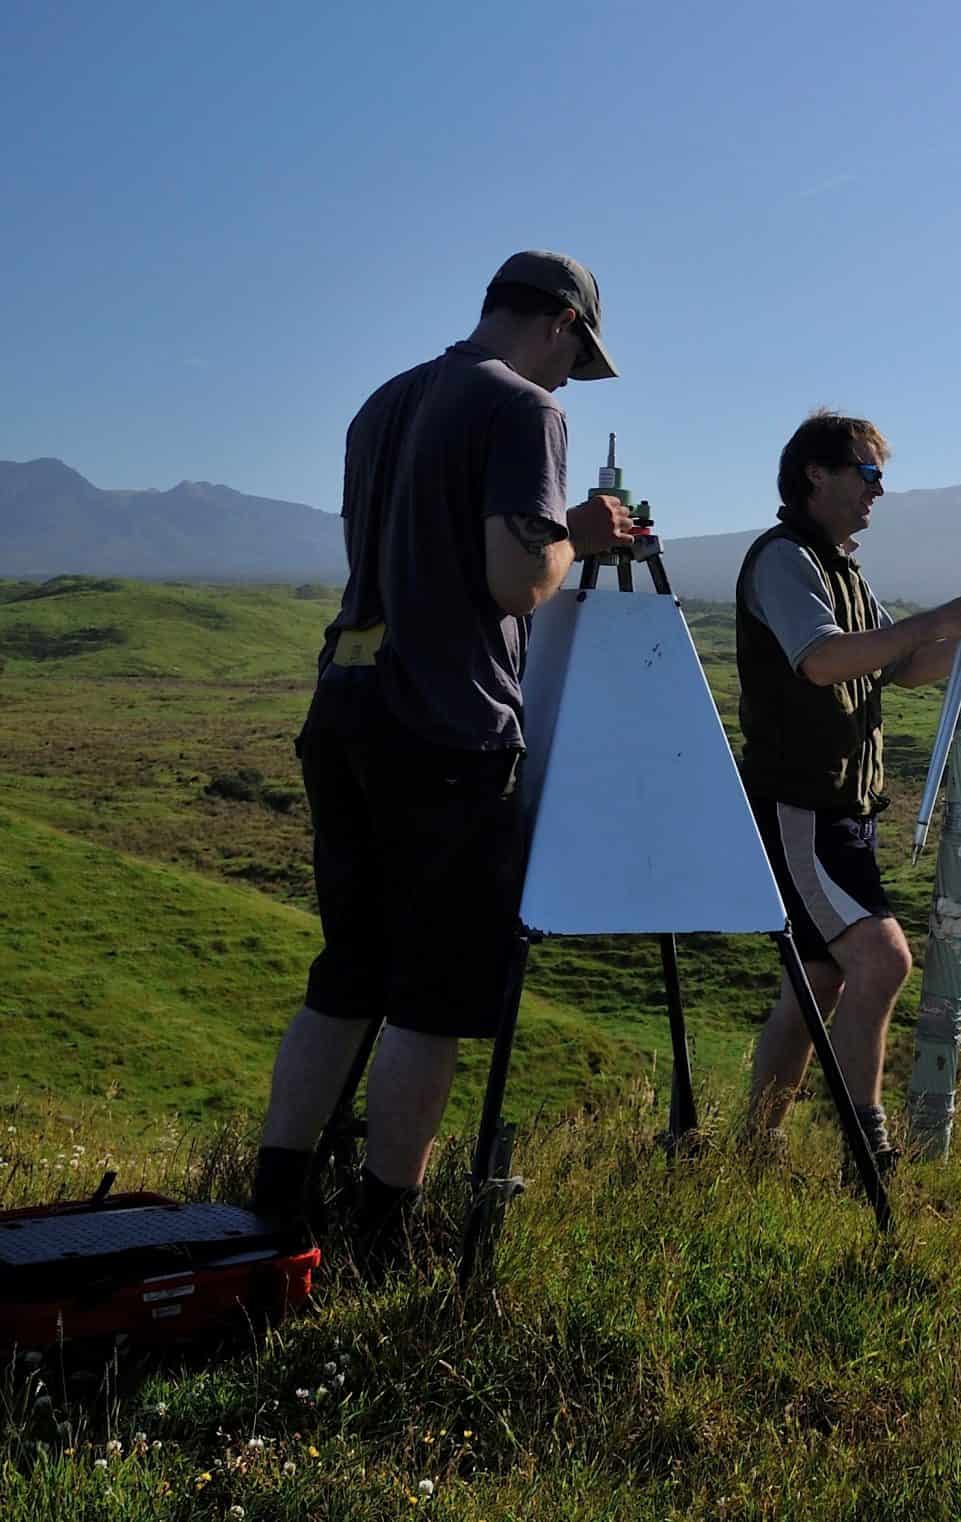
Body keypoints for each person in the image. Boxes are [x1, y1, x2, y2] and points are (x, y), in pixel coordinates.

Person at [248, 251, 636, 1256]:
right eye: (573, 360)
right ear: (557, 322)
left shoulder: (381, 404)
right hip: (446, 725)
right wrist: (578, 536)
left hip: (344, 702)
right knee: (432, 992)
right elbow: (514, 578)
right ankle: (386, 1227)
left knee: (348, 969)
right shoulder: (522, 410)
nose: (566, 385)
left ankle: (276, 1199)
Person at [734, 410, 961, 1168]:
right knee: (883, 961)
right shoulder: (785, 562)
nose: (879, 491)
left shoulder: (842, 570)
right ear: (817, 475)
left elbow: (899, 667)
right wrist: (939, 620)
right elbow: (825, 660)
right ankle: (866, 1147)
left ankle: (752, 1148)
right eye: (868, 473)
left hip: (840, 807)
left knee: (819, 982)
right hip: (805, 803)